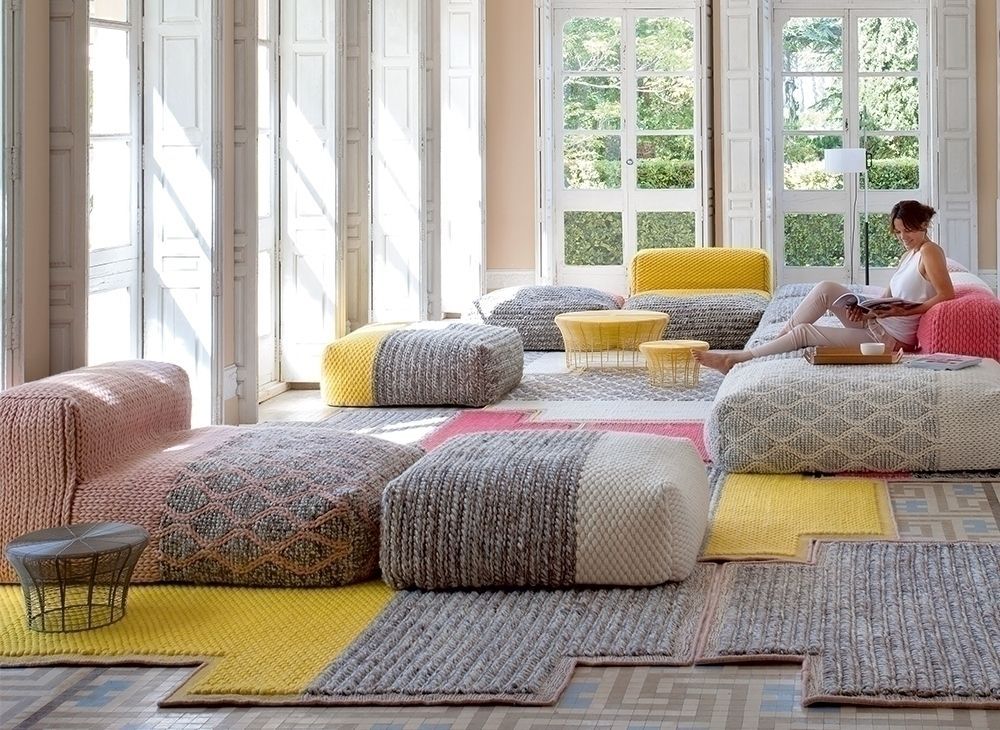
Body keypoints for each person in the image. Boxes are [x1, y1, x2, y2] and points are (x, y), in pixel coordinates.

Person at [695, 200, 955, 374]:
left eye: (908, 230)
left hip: (890, 340)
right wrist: (866, 311)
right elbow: (888, 295)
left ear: (923, 225)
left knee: (805, 333)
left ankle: (734, 359)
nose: (903, 238)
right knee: (827, 288)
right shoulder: (909, 255)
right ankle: (776, 342)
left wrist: (904, 311)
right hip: (878, 323)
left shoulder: (930, 252)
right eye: (898, 232)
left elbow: (947, 295)